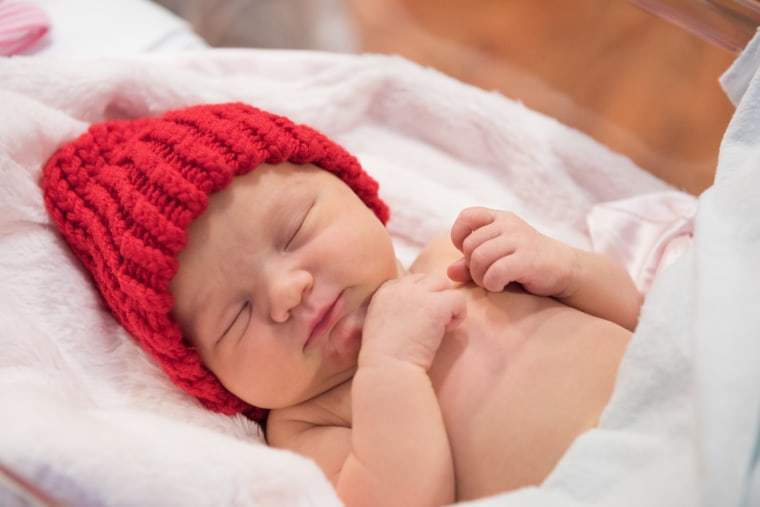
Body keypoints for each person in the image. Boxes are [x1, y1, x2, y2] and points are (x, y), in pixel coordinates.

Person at [42, 102, 640, 505]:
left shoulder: (454, 263)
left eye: (295, 231)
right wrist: (391, 367)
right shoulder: (309, 421)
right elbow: (401, 498)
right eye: (237, 313)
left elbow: (636, 317)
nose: (286, 290)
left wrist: (566, 268)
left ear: (356, 195)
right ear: (207, 375)